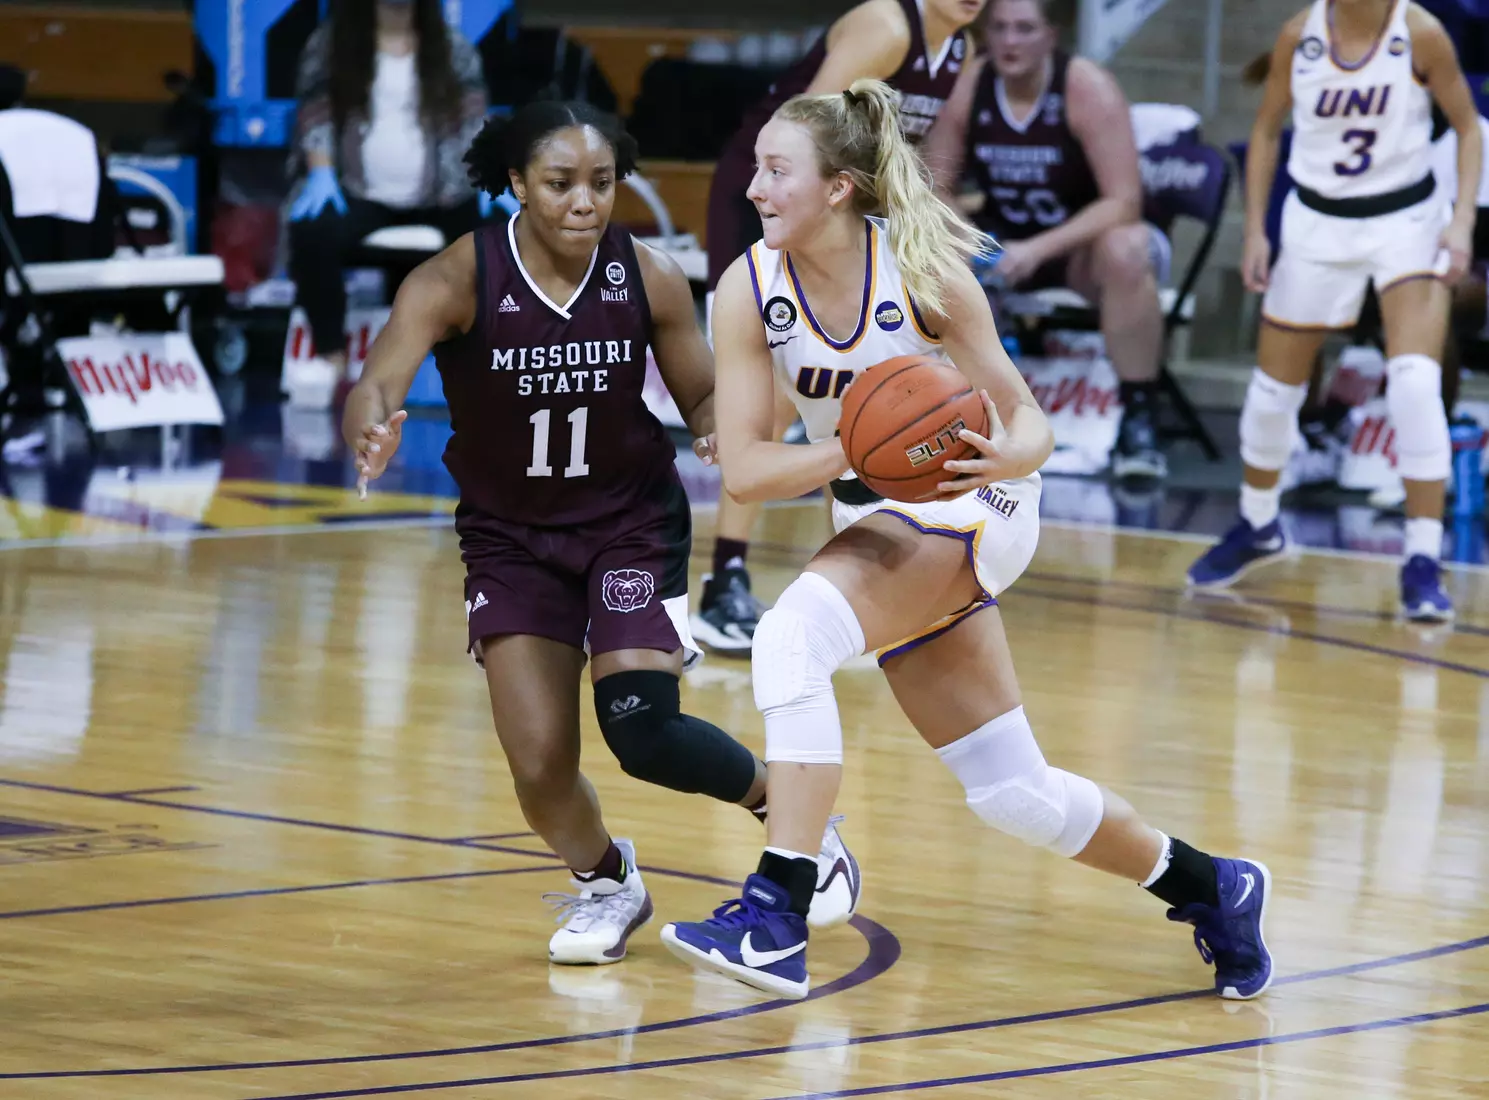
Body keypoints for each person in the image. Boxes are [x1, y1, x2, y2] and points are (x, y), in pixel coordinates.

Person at [658, 79, 1272, 1002]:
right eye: (755, 168)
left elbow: (1029, 421)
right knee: (1010, 793)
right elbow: (744, 470)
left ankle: (778, 910)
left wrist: (998, 457)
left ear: (837, 187)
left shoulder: (921, 267)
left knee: (791, 636)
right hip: (872, 509)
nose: (753, 187)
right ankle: (1214, 887)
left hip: (978, 500)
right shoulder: (748, 288)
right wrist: (849, 446)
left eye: (776, 170)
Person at [344, 99, 860, 964]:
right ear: (514, 185)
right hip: (510, 540)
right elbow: (376, 380)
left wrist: (710, 428)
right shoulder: (453, 279)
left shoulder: (647, 274)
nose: (584, 202)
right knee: (541, 768)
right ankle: (606, 881)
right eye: (559, 184)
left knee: (641, 728)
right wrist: (372, 423)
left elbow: (700, 393)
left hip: (626, 522)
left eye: (601, 183)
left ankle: (788, 810)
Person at [693, 0, 989, 656]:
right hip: (774, 204)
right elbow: (802, 141)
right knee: (767, 409)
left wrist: (926, 219)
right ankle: (723, 585)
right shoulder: (886, 26)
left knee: (867, 403)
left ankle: (854, 577)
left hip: (837, 218)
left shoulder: (956, 50)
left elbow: (882, 157)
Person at [1186, 0, 1480, 621]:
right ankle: (1260, 525)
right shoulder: (1301, 36)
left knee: (1414, 384)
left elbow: (1468, 126)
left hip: (1406, 219)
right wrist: (1257, 234)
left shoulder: (1419, 32)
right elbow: (1266, 129)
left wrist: (1459, 225)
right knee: (1271, 394)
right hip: (1317, 223)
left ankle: (1423, 559)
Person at [922, 0, 1170, 482]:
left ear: (1051, 36)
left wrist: (1038, 250)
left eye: (1024, 29)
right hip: (1002, 244)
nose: (1010, 41)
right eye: (1000, 29)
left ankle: (1141, 419)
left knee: (1127, 248)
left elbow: (1123, 202)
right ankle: (934, 413)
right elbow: (934, 189)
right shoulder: (970, 85)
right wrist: (970, 240)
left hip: (1082, 248)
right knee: (926, 249)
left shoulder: (1085, 87)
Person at [286, 0, 497, 409]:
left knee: (491, 244)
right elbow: (314, 114)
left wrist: (488, 176)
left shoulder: (454, 49)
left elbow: (474, 123)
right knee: (313, 232)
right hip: (359, 193)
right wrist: (321, 170)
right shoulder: (329, 45)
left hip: (441, 195)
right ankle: (331, 359)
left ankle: (482, 364)